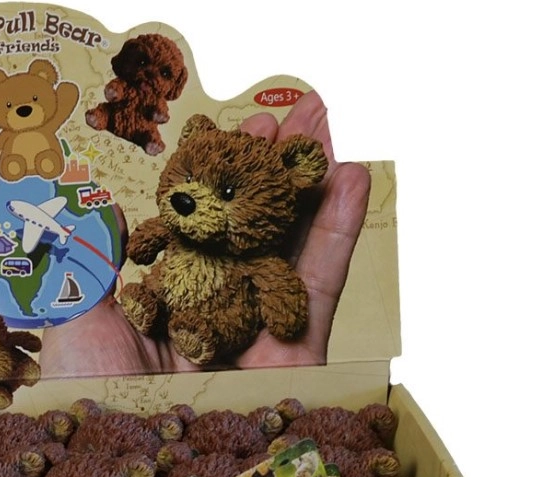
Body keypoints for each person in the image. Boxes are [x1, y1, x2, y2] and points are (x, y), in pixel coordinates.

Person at [39, 90, 371, 378]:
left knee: (229, 319)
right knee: (153, 287)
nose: (188, 197)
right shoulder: (177, 232)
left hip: (216, 319)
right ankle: (149, 306)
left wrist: (285, 312)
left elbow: (278, 288)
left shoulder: (255, 260)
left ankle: (202, 335)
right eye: (189, 180)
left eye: (226, 194)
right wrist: (142, 243)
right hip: (158, 328)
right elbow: (146, 243)